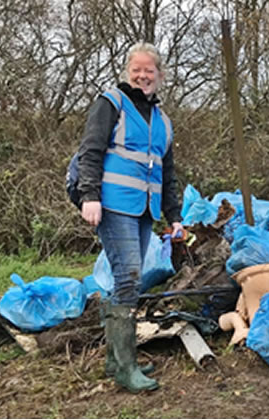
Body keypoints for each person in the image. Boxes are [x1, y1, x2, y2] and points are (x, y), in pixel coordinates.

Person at [77, 42, 183, 393]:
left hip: (145, 209)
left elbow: (168, 173)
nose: (142, 76)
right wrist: (89, 195)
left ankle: (116, 360)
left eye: (148, 71)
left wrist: (174, 216)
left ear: (160, 76)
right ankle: (126, 366)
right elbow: (90, 150)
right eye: (136, 70)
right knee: (128, 277)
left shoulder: (163, 121)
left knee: (128, 281)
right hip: (113, 204)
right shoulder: (112, 103)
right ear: (127, 72)